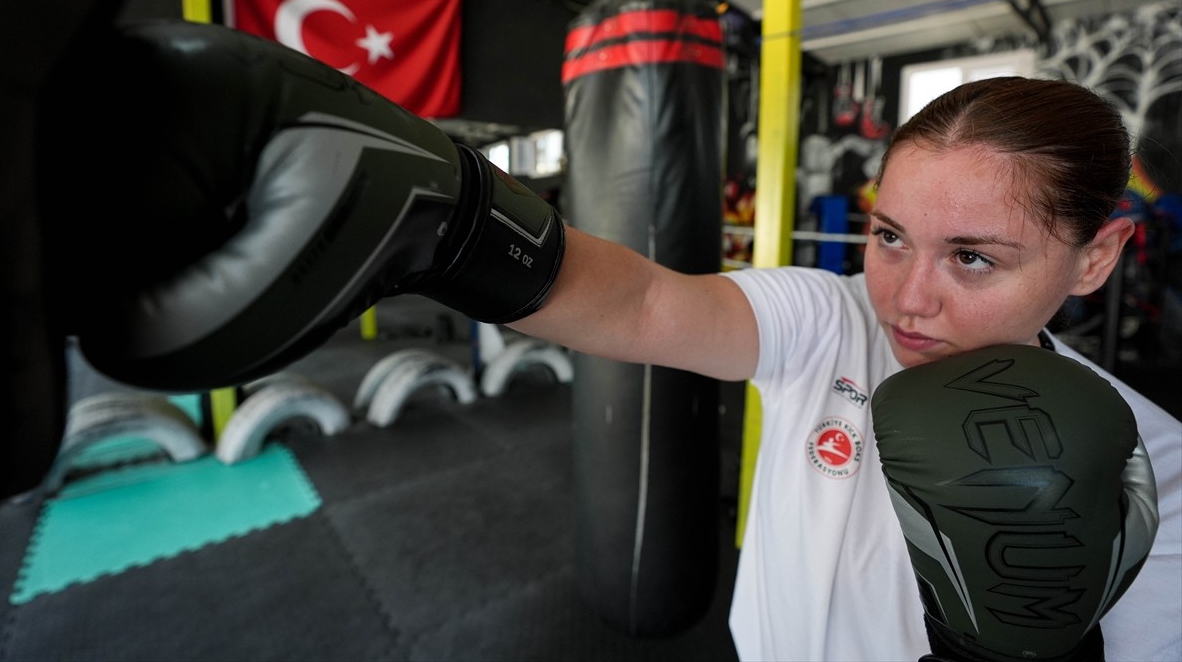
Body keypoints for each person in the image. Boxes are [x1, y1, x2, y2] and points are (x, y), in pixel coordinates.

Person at [502, 75, 1181, 660]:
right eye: (890, 237)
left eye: (972, 257)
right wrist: (457, 236)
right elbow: (643, 303)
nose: (906, 301)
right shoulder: (826, 316)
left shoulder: (1158, 469)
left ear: (1095, 258)